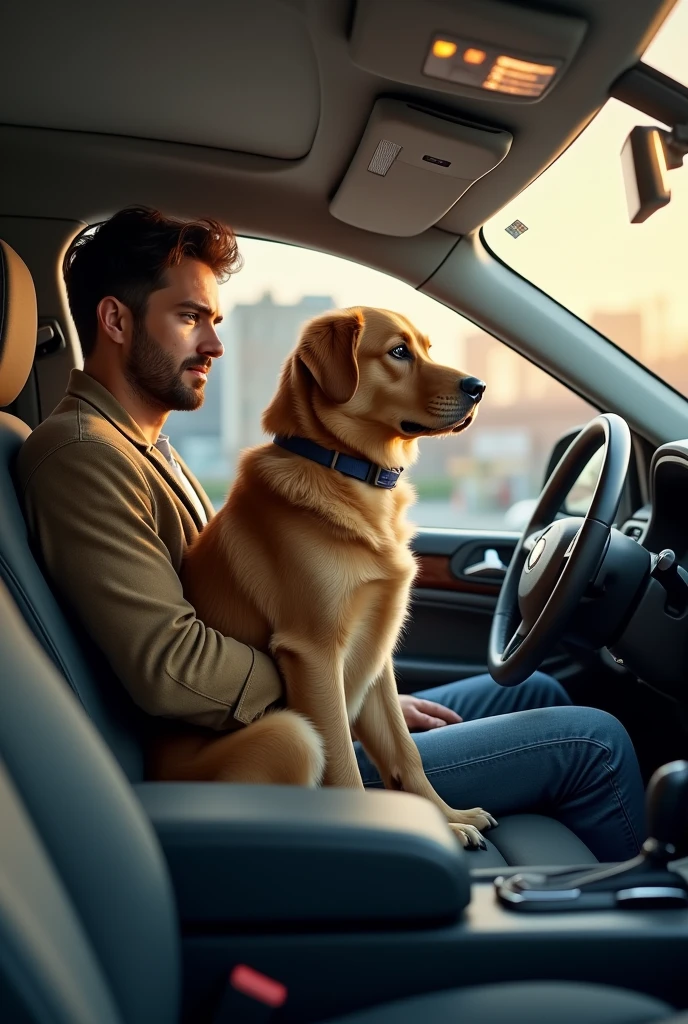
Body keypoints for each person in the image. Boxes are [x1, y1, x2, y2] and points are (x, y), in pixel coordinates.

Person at [16, 207, 646, 862]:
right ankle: (634, 928)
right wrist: (322, 684)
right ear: (116, 321)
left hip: (285, 714)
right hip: (258, 751)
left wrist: (368, 689)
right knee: (594, 743)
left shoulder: (145, 449)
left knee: (536, 689)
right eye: (188, 318)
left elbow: (264, 611)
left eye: (215, 321)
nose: (214, 345)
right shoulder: (81, 455)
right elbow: (168, 668)